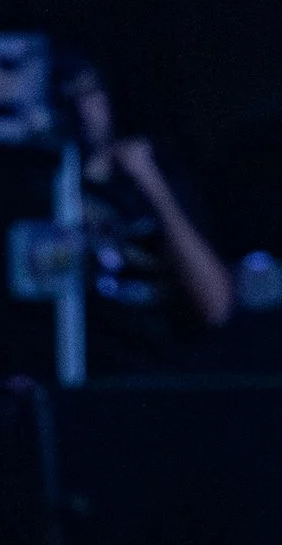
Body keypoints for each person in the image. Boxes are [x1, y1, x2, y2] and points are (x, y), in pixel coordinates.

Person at [61, 56, 236, 361]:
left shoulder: (152, 174)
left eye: (90, 93)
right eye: (67, 96)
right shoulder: (47, 189)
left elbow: (216, 306)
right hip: (86, 364)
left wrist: (149, 180)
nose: (81, 109)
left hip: (162, 365)